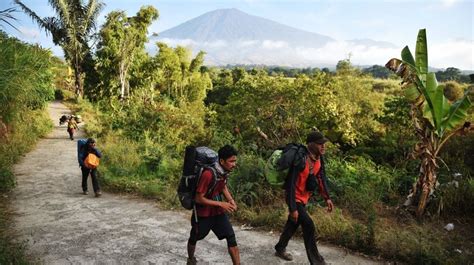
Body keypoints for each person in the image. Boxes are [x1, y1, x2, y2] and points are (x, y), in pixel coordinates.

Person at [274, 131, 334, 265]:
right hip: (294, 198)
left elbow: (321, 178)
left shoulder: (319, 158)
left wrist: (327, 198)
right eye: (320, 144)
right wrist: (293, 208)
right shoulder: (300, 158)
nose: (323, 146)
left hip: (304, 198)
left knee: (293, 224)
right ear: (311, 144)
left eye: (324, 144)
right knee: (308, 225)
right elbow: (290, 184)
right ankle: (317, 261)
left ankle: (280, 247)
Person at [187, 145, 240, 265]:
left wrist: (230, 200)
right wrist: (221, 204)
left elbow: (223, 185)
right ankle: (190, 259)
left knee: (231, 236)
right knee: (195, 237)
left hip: (218, 212)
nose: (234, 164)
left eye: (235, 161)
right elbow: (198, 198)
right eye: (231, 161)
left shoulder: (223, 172)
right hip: (204, 213)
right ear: (221, 161)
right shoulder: (208, 174)